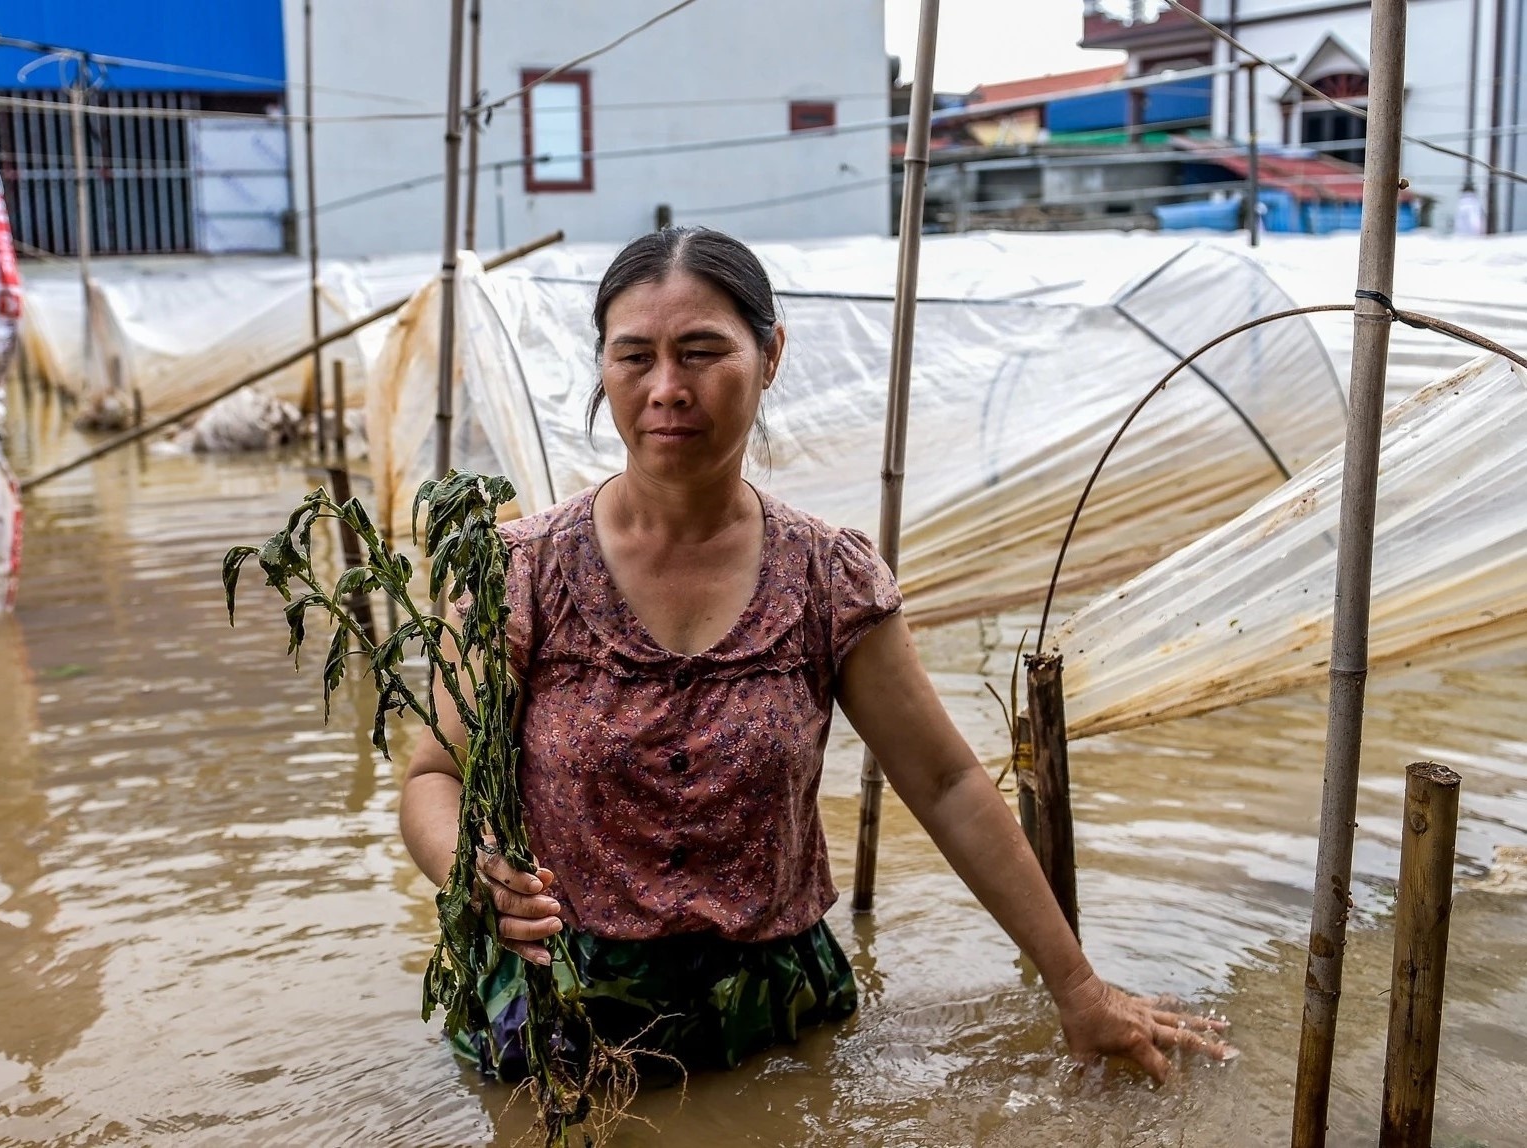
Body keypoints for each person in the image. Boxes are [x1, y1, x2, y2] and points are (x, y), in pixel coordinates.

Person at [400, 226, 1227, 1083]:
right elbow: (434, 775)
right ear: (603, 367)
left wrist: (1079, 989)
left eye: (701, 353)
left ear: (770, 356)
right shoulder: (517, 573)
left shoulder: (828, 577)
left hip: (776, 1021)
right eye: (635, 357)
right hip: (558, 1020)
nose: (668, 389)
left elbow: (946, 783)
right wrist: (477, 872)